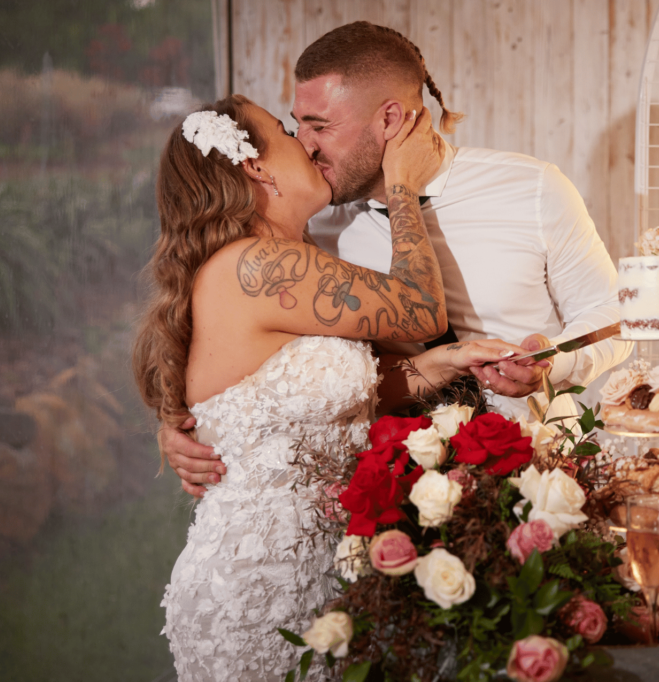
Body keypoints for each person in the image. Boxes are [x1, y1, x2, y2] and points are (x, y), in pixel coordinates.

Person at [133, 95, 540, 681]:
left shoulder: (285, 259)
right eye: (284, 130)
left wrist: (448, 360)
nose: (305, 140)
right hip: (262, 584)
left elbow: (350, 397)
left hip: (325, 568)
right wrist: (404, 183)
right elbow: (421, 310)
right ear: (256, 167)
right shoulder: (256, 266)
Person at [162, 21, 633, 498]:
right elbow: (237, 355)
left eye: (320, 125)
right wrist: (189, 423)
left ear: (388, 120)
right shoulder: (307, 231)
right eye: (296, 124)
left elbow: (612, 314)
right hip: (388, 507)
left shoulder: (531, 189)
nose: (305, 143)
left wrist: (553, 364)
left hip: (544, 482)